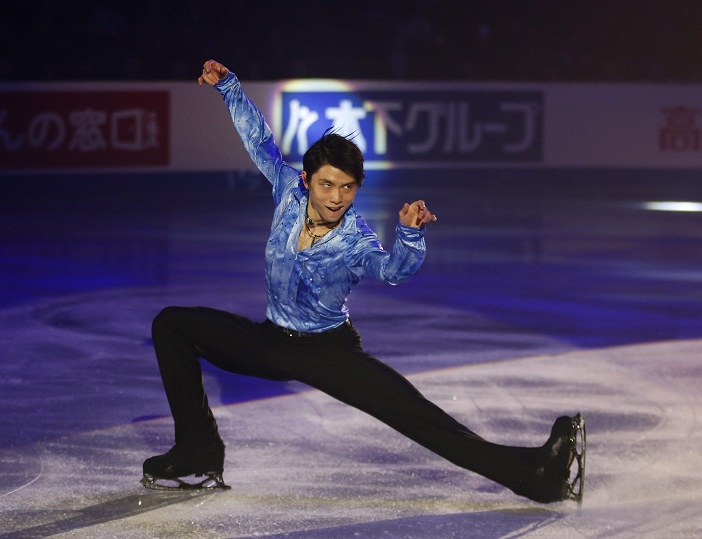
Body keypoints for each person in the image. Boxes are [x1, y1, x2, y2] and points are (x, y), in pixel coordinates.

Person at [141, 59, 585, 503]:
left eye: (348, 187)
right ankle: (198, 450)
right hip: (271, 340)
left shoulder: (355, 241)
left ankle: (538, 476)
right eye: (328, 184)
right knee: (173, 324)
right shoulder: (287, 192)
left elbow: (392, 271)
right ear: (306, 179)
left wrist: (410, 235)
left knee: (423, 421)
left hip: (329, 352)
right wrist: (229, 87)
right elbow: (259, 140)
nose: (336, 197)